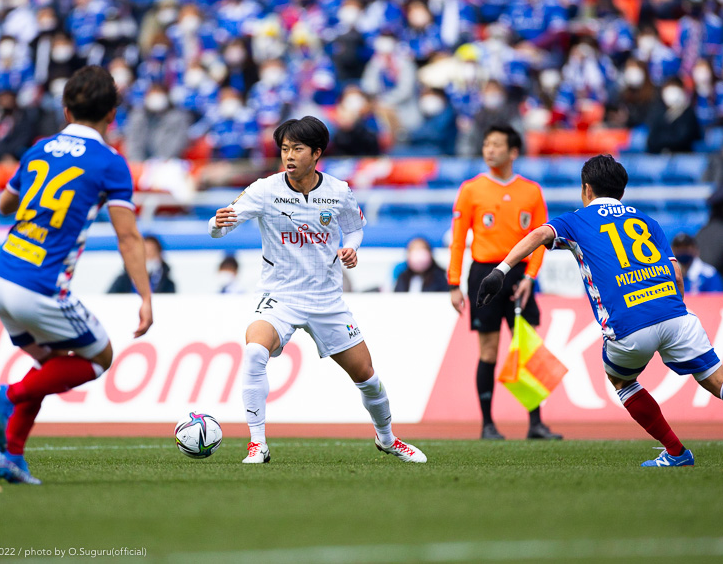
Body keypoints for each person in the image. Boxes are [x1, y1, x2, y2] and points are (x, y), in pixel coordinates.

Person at [477, 154, 723, 467]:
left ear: (587, 189)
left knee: (622, 381)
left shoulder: (577, 220)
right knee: (715, 380)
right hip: (676, 316)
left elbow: (539, 234)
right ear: (621, 190)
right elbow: (676, 275)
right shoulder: (648, 221)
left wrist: (500, 271)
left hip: (630, 325)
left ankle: (676, 452)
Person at [209, 116, 426, 464]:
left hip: (327, 301)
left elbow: (354, 229)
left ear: (316, 153)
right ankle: (257, 444)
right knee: (253, 352)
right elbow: (220, 226)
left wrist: (351, 247)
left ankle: (387, 439)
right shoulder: (264, 189)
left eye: (297, 149)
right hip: (280, 297)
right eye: (284, 149)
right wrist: (216, 224)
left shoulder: (338, 191)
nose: (289, 156)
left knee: (367, 378)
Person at [0, 66, 153, 485]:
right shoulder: (110, 163)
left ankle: (11, 456)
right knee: (100, 358)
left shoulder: (39, 148)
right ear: (112, 114)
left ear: (65, 109)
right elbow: (128, 238)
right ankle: (8, 395)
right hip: (40, 287)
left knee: (51, 365)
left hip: (1, 278)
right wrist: (146, 298)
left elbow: (5, 204)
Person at [448, 124, 561, 441]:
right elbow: (458, 240)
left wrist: (530, 277)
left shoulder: (531, 191)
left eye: (496, 144)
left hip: (518, 275)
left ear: (513, 152)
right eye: (486, 144)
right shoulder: (471, 189)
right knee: (488, 350)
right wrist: (454, 283)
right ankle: (487, 424)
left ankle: (536, 424)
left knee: (527, 348)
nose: (489, 149)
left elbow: (541, 239)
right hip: (484, 274)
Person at [108, 235, 176, 294]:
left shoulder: (167, 284)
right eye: (145, 253)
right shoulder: (123, 280)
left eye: (152, 253)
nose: (148, 258)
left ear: (159, 255)